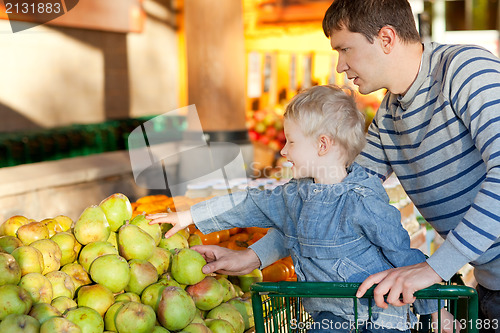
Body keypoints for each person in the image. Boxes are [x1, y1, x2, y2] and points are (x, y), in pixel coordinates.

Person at [174, 0, 500, 329]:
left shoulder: (464, 70)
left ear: (386, 38)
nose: (340, 66)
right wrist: (254, 256)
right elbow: (329, 204)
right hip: (490, 282)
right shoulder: (390, 113)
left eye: (345, 49)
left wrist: (433, 269)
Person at [149, 85, 453, 332]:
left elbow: (405, 256)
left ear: (322, 145)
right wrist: (193, 215)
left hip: (378, 319)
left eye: (291, 141)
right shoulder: (295, 195)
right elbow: (248, 202)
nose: (283, 150)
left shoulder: (362, 200)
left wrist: (435, 310)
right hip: (326, 316)